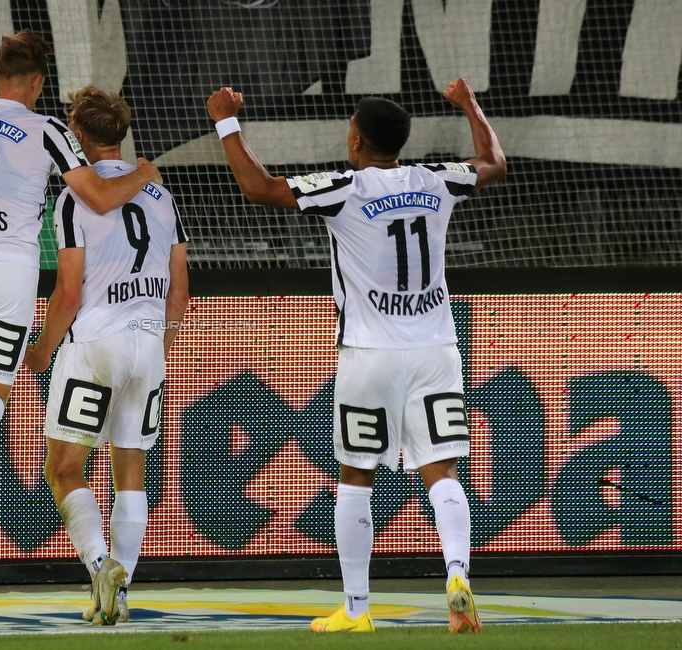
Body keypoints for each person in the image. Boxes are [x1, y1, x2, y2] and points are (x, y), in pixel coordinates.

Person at [206, 78, 506, 634]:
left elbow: (260, 188)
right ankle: (458, 574)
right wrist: (468, 104)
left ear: (358, 143)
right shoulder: (436, 180)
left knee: (355, 477)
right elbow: (493, 160)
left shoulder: (346, 186)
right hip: (436, 349)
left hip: (370, 353)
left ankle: (357, 608)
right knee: (441, 471)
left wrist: (226, 121)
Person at [0, 30, 162, 512]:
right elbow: (97, 198)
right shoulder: (49, 128)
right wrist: (143, 174)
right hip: (8, 276)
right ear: (37, 81)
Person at [23, 86, 190, 626]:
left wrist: (42, 351)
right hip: (148, 344)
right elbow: (179, 290)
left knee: (65, 469)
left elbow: (69, 291)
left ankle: (99, 564)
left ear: (77, 135)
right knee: (131, 475)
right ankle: (120, 592)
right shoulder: (163, 197)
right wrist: (155, 349)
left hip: (94, 343)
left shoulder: (73, 199)